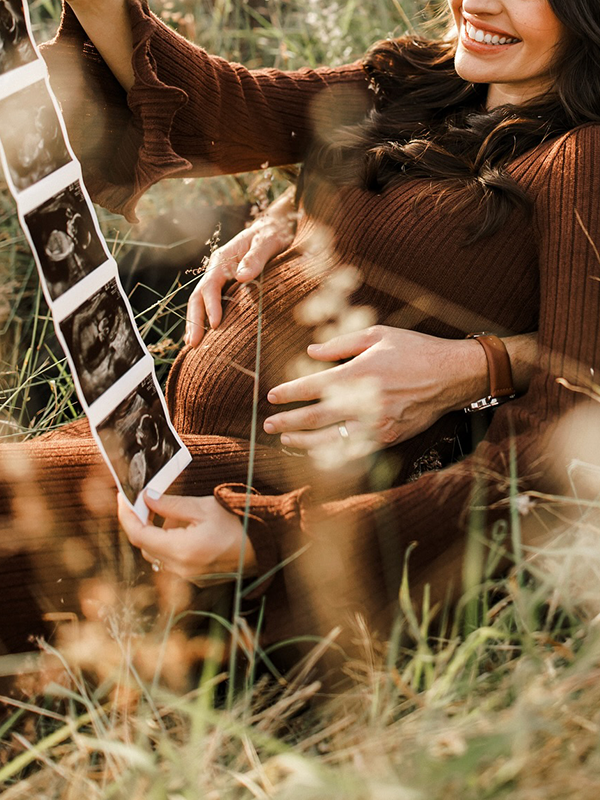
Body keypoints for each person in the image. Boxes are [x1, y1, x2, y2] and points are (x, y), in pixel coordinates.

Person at [2, 0, 599, 668]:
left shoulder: (581, 158)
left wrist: (276, 539)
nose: (481, 3)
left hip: (247, 503)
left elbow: (556, 444)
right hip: (159, 438)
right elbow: (227, 106)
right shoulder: (419, 83)